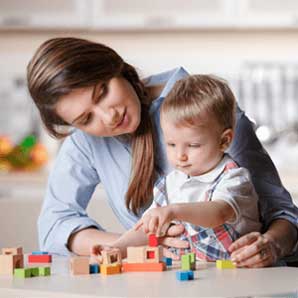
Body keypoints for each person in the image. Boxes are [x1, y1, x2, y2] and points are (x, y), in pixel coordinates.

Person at [27, 37, 298, 268]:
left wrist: (271, 244)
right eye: (86, 119)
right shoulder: (86, 142)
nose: (109, 117)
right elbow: (54, 226)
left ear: (115, 66)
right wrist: (138, 244)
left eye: (102, 92)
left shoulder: (202, 112)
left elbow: (284, 215)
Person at [106, 74, 262, 262]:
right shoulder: (170, 183)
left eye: (193, 145)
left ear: (224, 140)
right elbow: (146, 229)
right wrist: (115, 249)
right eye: (171, 144)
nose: (180, 155)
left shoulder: (234, 178)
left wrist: (173, 211)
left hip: (239, 276)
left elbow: (218, 212)